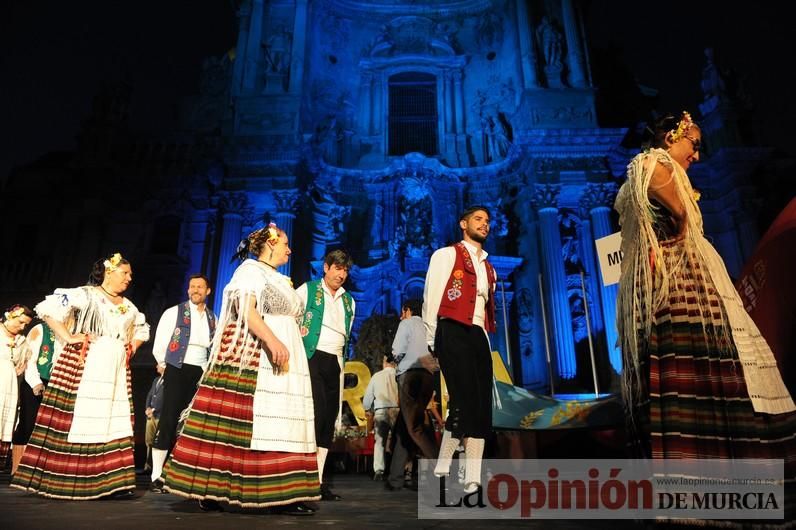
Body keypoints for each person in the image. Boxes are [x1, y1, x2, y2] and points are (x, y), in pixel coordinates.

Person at [615, 112, 796, 468]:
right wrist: (683, 220)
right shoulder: (652, 162)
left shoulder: (658, 167)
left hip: (687, 275)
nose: (696, 156)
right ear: (670, 137)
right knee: (703, 364)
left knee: (711, 366)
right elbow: (679, 213)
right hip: (681, 280)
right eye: (693, 145)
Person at [163, 224, 319, 515]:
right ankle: (210, 489)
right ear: (270, 245)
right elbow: (247, 312)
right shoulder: (250, 271)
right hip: (256, 352)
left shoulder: (280, 278)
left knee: (287, 420)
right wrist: (273, 341)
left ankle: (285, 491)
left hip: (288, 357)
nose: (290, 249)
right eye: (285, 243)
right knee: (236, 423)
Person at [12, 253, 150, 499]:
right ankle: (68, 476)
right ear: (109, 272)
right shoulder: (86, 294)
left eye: (130, 274)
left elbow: (141, 328)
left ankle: (111, 481)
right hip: (86, 364)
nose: (130, 278)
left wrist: (132, 347)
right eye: (125, 273)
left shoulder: (128, 306)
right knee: (81, 419)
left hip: (115, 370)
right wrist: (68, 336)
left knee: (112, 422)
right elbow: (49, 310)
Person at [424, 206, 497, 493]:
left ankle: (473, 474)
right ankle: (445, 459)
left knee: (481, 405)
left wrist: (485, 341)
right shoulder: (446, 255)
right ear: (463, 224)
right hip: (452, 329)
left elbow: (483, 307)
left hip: (479, 333)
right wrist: (433, 339)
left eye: (488, 221)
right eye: (478, 220)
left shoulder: (488, 266)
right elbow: (432, 295)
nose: (485, 224)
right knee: (464, 395)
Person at [296, 249, 356, 502]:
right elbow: (292, 321)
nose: (341, 274)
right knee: (315, 413)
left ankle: (318, 481)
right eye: (337, 269)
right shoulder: (307, 290)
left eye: (345, 270)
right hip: (312, 356)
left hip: (335, 361)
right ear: (326, 268)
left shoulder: (349, 301)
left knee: (328, 420)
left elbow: (347, 333)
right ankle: (301, 478)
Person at [148, 274, 216, 493]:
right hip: (177, 367)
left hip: (200, 371)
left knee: (190, 422)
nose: (195, 290)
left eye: (199, 287)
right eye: (192, 286)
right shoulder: (174, 312)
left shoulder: (212, 318)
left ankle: (179, 473)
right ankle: (156, 474)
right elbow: (161, 339)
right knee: (168, 417)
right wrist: (162, 362)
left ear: (208, 291)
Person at [385, 299, 439, 491]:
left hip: (410, 375)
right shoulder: (430, 326)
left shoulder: (406, 323)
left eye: (403, 311)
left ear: (407, 310)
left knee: (414, 427)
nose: (401, 315)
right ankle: (395, 478)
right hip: (428, 377)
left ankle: (443, 469)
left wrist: (397, 361)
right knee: (405, 426)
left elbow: (397, 350)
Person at [11, 319, 57, 474]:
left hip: (57, 383)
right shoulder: (41, 329)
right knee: (28, 424)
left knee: (52, 428)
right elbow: (30, 359)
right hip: (36, 381)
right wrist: (36, 382)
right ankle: (17, 469)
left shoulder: (69, 333)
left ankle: (42, 471)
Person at [1, 305, 33, 467]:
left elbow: (23, 364)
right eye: (20, 322)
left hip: (9, 386)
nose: (22, 327)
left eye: (25, 325)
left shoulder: (22, 341)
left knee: (5, 422)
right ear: (10, 316)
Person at [363, 353, 399, 481]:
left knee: (380, 442)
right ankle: (397, 471)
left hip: (381, 411)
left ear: (384, 363)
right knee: (397, 441)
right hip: (396, 411)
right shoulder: (398, 375)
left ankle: (379, 470)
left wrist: (367, 408)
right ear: (394, 363)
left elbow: (368, 396)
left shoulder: (376, 376)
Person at [143, 363, 165, 475]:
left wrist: (154, 410)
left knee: (157, 442)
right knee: (149, 441)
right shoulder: (156, 379)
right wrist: (147, 407)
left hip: (160, 416)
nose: (156, 366)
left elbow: (165, 399)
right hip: (151, 416)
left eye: (159, 364)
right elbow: (150, 395)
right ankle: (148, 465)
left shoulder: (169, 381)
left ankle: (157, 469)